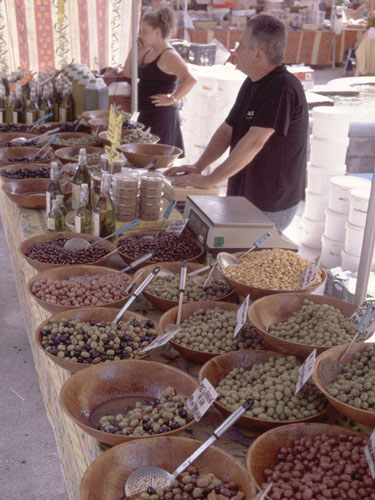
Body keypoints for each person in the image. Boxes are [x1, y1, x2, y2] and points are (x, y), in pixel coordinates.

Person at [165, 14, 309, 232]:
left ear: (259, 54)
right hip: (245, 195)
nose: (235, 52)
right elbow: (226, 131)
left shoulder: (282, 88)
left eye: (241, 45)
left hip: (270, 203)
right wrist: (199, 166)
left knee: (246, 261)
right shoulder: (252, 83)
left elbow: (254, 143)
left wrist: (211, 179)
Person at [123, 5, 197, 152]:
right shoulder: (148, 51)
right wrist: (135, 49)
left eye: (144, 31)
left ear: (157, 33)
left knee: (157, 159)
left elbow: (191, 79)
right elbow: (128, 72)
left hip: (161, 116)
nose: (140, 35)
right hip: (146, 113)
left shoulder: (169, 55)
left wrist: (173, 98)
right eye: (140, 31)